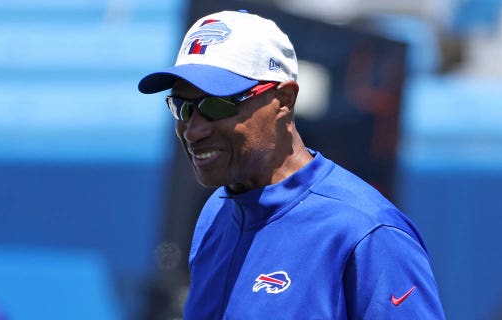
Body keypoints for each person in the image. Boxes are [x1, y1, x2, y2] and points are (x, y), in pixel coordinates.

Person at [138, 10, 445, 319]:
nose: (193, 130)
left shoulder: (367, 231)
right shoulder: (215, 213)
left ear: (283, 99)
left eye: (217, 105)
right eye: (183, 108)